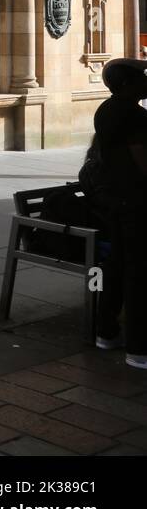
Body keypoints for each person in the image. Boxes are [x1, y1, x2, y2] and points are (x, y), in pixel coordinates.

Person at [87, 58, 147, 370]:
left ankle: (106, 332)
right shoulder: (135, 116)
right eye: (142, 76)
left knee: (118, 266)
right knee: (138, 273)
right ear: (127, 84)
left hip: (114, 200)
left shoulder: (105, 110)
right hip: (136, 202)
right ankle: (139, 348)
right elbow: (142, 161)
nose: (146, 80)